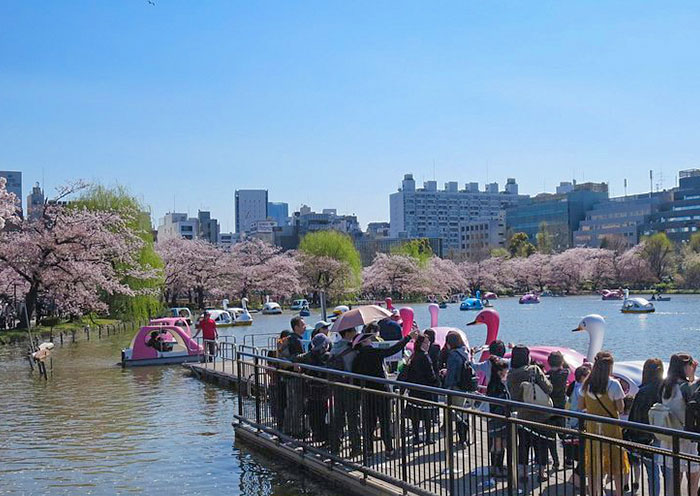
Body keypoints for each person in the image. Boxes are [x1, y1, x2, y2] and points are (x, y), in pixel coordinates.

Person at [352, 326, 417, 457]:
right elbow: (393, 349)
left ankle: (368, 450)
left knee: (369, 423)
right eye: (368, 339)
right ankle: (388, 449)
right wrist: (408, 337)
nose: (371, 340)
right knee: (385, 421)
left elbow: (355, 378)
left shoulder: (357, 358)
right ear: (364, 342)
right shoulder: (374, 353)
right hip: (382, 391)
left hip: (367, 393)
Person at [579, 351, 630, 496]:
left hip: (592, 429)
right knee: (617, 465)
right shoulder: (614, 385)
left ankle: (595, 493)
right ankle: (618, 493)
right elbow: (620, 408)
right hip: (611, 430)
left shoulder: (587, 384)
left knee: (594, 466)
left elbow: (581, 406)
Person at [507, 344, 553, 485]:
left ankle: (523, 473)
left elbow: (512, 395)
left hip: (522, 414)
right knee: (541, 443)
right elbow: (548, 388)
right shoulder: (533, 370)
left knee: (523, 445)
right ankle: (541, 472)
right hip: (541, 415)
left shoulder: (511, 375)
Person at [659, 353, 699, 496]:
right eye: (690, 365)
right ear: (683, 367)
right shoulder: (685, 387)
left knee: (676, 476)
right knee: (693, 476)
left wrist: (692, 376)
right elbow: (693, 402)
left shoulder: (666, 386)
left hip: (670, 436)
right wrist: (693, 377)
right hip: (686, 438)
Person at [625, 358, 664, 496]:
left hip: (646, 437)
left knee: (652, 471)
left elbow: (635, 416)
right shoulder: (665, 388)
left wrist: (631, 435)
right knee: (666, 470)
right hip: (665, 434)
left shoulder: (644, 392)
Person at [399, 333, 439, 445]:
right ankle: (428, 438)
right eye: (426, 342)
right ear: (422, 344)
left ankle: (416, 437)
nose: (428, 344)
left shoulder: (413, 355)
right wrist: (436, 382)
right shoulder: (425, 357)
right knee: (427, 416)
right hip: (425, 390)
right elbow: (431, 375)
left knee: (415, 416)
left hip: (414, 390)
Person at [328, 325, 361, 456]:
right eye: (354, 330)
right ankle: (356, 447)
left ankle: (335, 446)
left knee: (338, 416)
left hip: (337, 385)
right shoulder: (351, 350)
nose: (356, 332)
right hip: (350, 386)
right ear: (348, 333)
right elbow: (353, 367)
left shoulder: (335, 347)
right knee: (353, 417)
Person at [293, 334, 331, 443]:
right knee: (324, 414)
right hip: (324, 390)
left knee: (313, 414)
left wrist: (296, 364)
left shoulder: (308, 355)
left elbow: (296, 358)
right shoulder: (327, 356)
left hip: (311, 389)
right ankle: (325, 437)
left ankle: (316, 435)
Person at [442, 332, 472, 448]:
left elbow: (452, 374)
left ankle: (462, 440)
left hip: (455, 388)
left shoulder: (453, 355)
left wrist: (447, 387)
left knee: (457, 414)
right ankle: (465, 438)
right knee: (463, 413)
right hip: (465, 386)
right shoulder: (465, 352)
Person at [282, 316, 307, 437]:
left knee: (290, 403)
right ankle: (297, 431)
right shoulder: (296, 341)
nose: (305, 326)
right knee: (297, 404)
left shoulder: (288, 339)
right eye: (302, 325)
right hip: (295, 375)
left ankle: (287, 428)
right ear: (296, 327)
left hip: (288, 374)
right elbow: (299, 357)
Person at [564, 364, 591, 474]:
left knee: (571, 441)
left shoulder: (573, 385)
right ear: (583, 377)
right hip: (578, 418)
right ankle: (579, 469)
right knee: (580, 444)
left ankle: (569, 460)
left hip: (570, 417)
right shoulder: (582, 389)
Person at [486, 356, 510, 478]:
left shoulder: (494, 383)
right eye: (506, 371)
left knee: (498, 443)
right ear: (500, 372)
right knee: (498, 444)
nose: (507, 373)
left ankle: (497, 466)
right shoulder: (497, 385)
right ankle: (496, 468)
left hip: (497, 417)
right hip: (498, 418)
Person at [546, 351, 569, 470]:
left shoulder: (547, 375)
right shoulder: (565, 373)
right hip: (561, 409)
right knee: (564, 436)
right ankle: (567, 460)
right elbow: (567, 367)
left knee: (551, 438)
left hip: (549, 409)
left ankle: (555, 461)